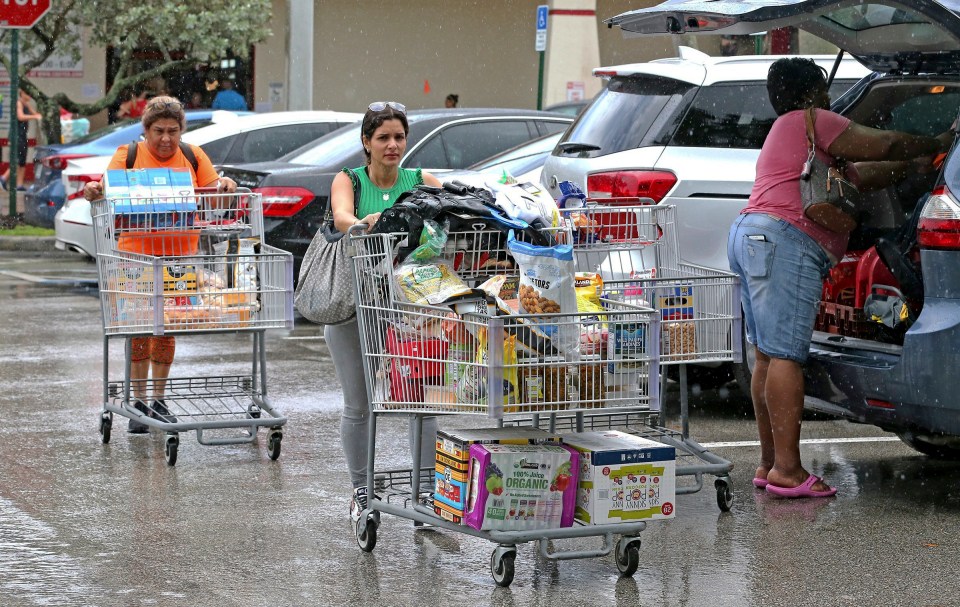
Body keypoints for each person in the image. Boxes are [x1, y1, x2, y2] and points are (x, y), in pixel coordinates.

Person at [727, 57, 952, 498]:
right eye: (824, 90)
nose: (830, 97)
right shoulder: (809, 120)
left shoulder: (794, 135)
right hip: (784, 241)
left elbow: (862, 176)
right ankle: (789, 472)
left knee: (769, 356)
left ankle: (770, 463)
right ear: (814, 92)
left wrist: (915, 167)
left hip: (753, 235)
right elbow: (883, 145)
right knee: (786, 355)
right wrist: (938, 139)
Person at [82, 96, 238, 433]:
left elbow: (216, 194)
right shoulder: (130, 155)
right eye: (158, 131)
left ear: (182, 130)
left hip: (178, 257)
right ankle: (138, 399)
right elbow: (105, 190)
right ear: (146, 131)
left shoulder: (194, 156)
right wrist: (94, 189)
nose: (166, 139)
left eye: (172, 131)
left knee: (167, 328)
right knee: (139, 328)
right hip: (134, 255)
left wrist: (226, 186)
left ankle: (158, 398)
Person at [327, 101, 442, 523]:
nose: (392, 145)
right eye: (383, 138)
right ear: (366, 143)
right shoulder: (350, 180)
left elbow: (448, 216)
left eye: (398, 137)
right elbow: (341, 216)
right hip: (355, 307)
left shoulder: (421, 180)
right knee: (360, 405)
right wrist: (362, 221)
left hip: (410, 312)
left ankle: (426, 492)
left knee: (421, 403)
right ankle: (362, 492)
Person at [1, 89, 43, 192]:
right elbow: (20, 117)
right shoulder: (18, 103)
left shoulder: (26, 104)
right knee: (16, 160)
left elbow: (36, 113)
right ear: (22, 94)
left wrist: (39, 115)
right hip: (16, 135)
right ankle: (3, 179)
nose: (29, 95)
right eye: (27, 93)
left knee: (22, 161)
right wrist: (35, 116)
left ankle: (19, 185)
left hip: (23, 135)